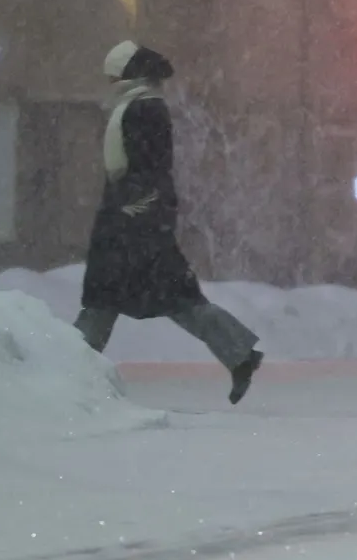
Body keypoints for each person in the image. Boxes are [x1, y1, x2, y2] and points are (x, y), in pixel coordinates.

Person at [76, 42, 264, 404]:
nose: (109, 83)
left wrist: (131, 210)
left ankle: (69, 375)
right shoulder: (141, 105)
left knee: (110, 298)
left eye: (112, 76)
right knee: (167, 299)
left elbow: (147, 169)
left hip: (133, 223)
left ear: (127, 75)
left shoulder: (142, 109)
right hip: (139, 220)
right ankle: (239, 353)